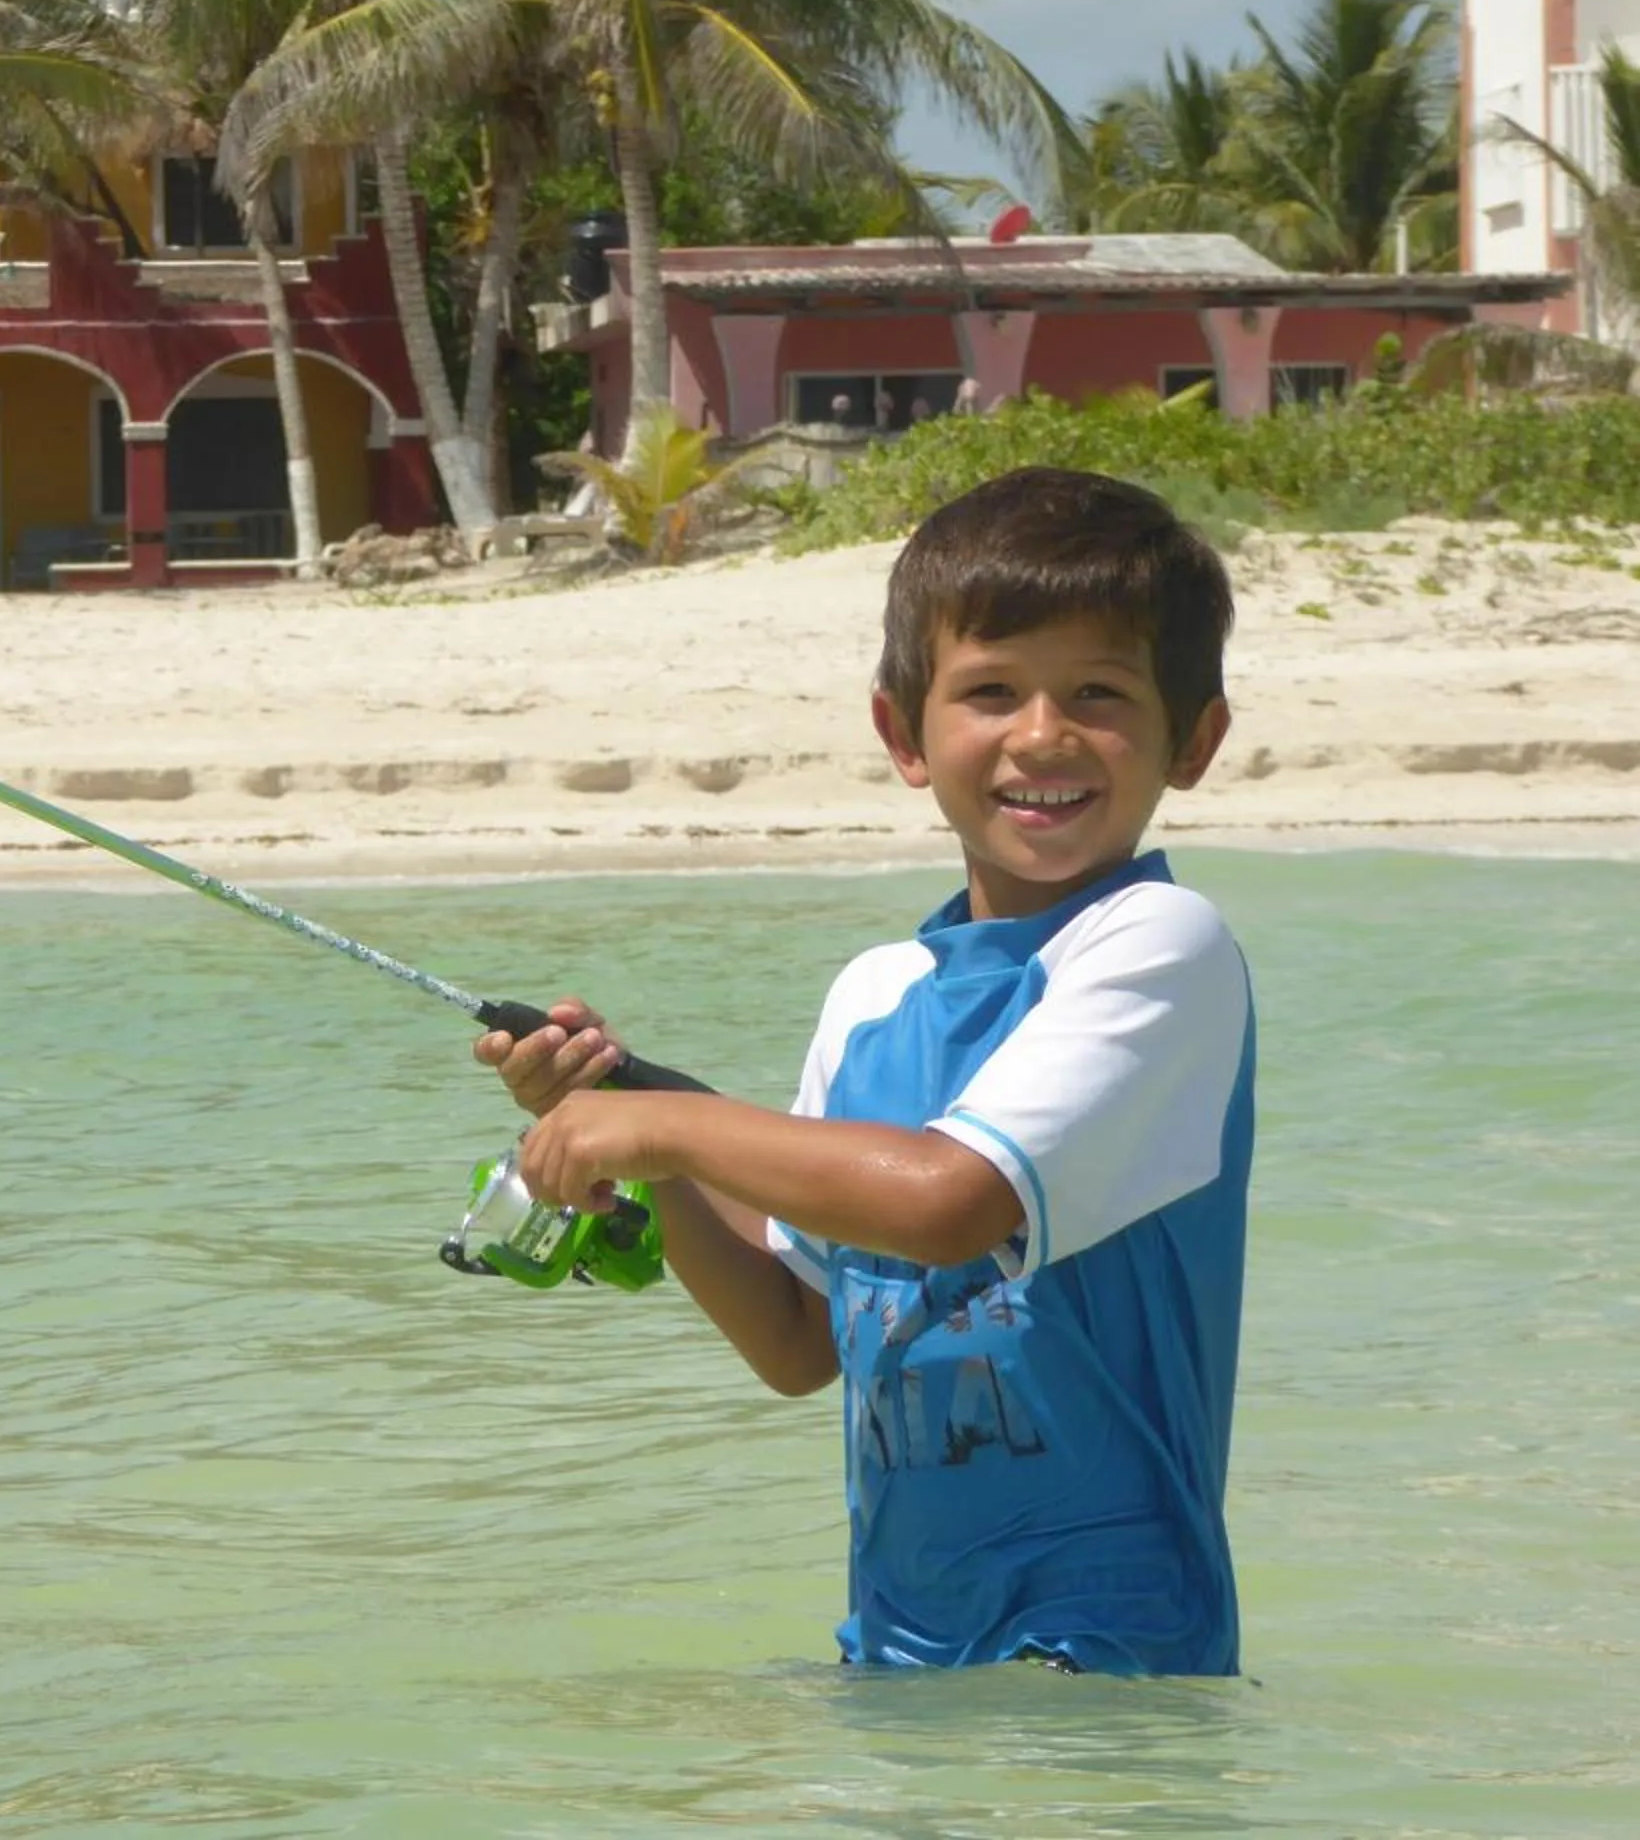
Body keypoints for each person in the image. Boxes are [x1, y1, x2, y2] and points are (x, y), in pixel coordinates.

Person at [475, 467, 1252, 1677]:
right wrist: (630, 1119)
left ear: (1192, 740)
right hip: (894, 1656)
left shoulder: (1160, 947)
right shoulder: (873, 996)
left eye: (1098, 694)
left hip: (1106, 1661)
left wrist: (666, 1132)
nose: (1043, 734)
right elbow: (797, 1341)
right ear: (903, 731)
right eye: (990, 692)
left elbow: (945, 1200)